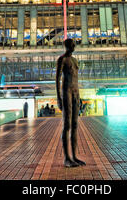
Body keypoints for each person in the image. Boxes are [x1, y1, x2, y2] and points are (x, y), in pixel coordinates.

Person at [56, 38, 86, 168]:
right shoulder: (62, 59)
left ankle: (74, 156)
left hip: (76, 92)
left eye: (74, 44)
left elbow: (76, 78)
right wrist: (59, 98)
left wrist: (79, 96)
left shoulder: (75, 60)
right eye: (72, 44)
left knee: (75, 124)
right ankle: (67, 158)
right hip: (66, 91)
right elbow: (57, 79)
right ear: (66, 46)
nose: (74, 46)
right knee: (67, 125)